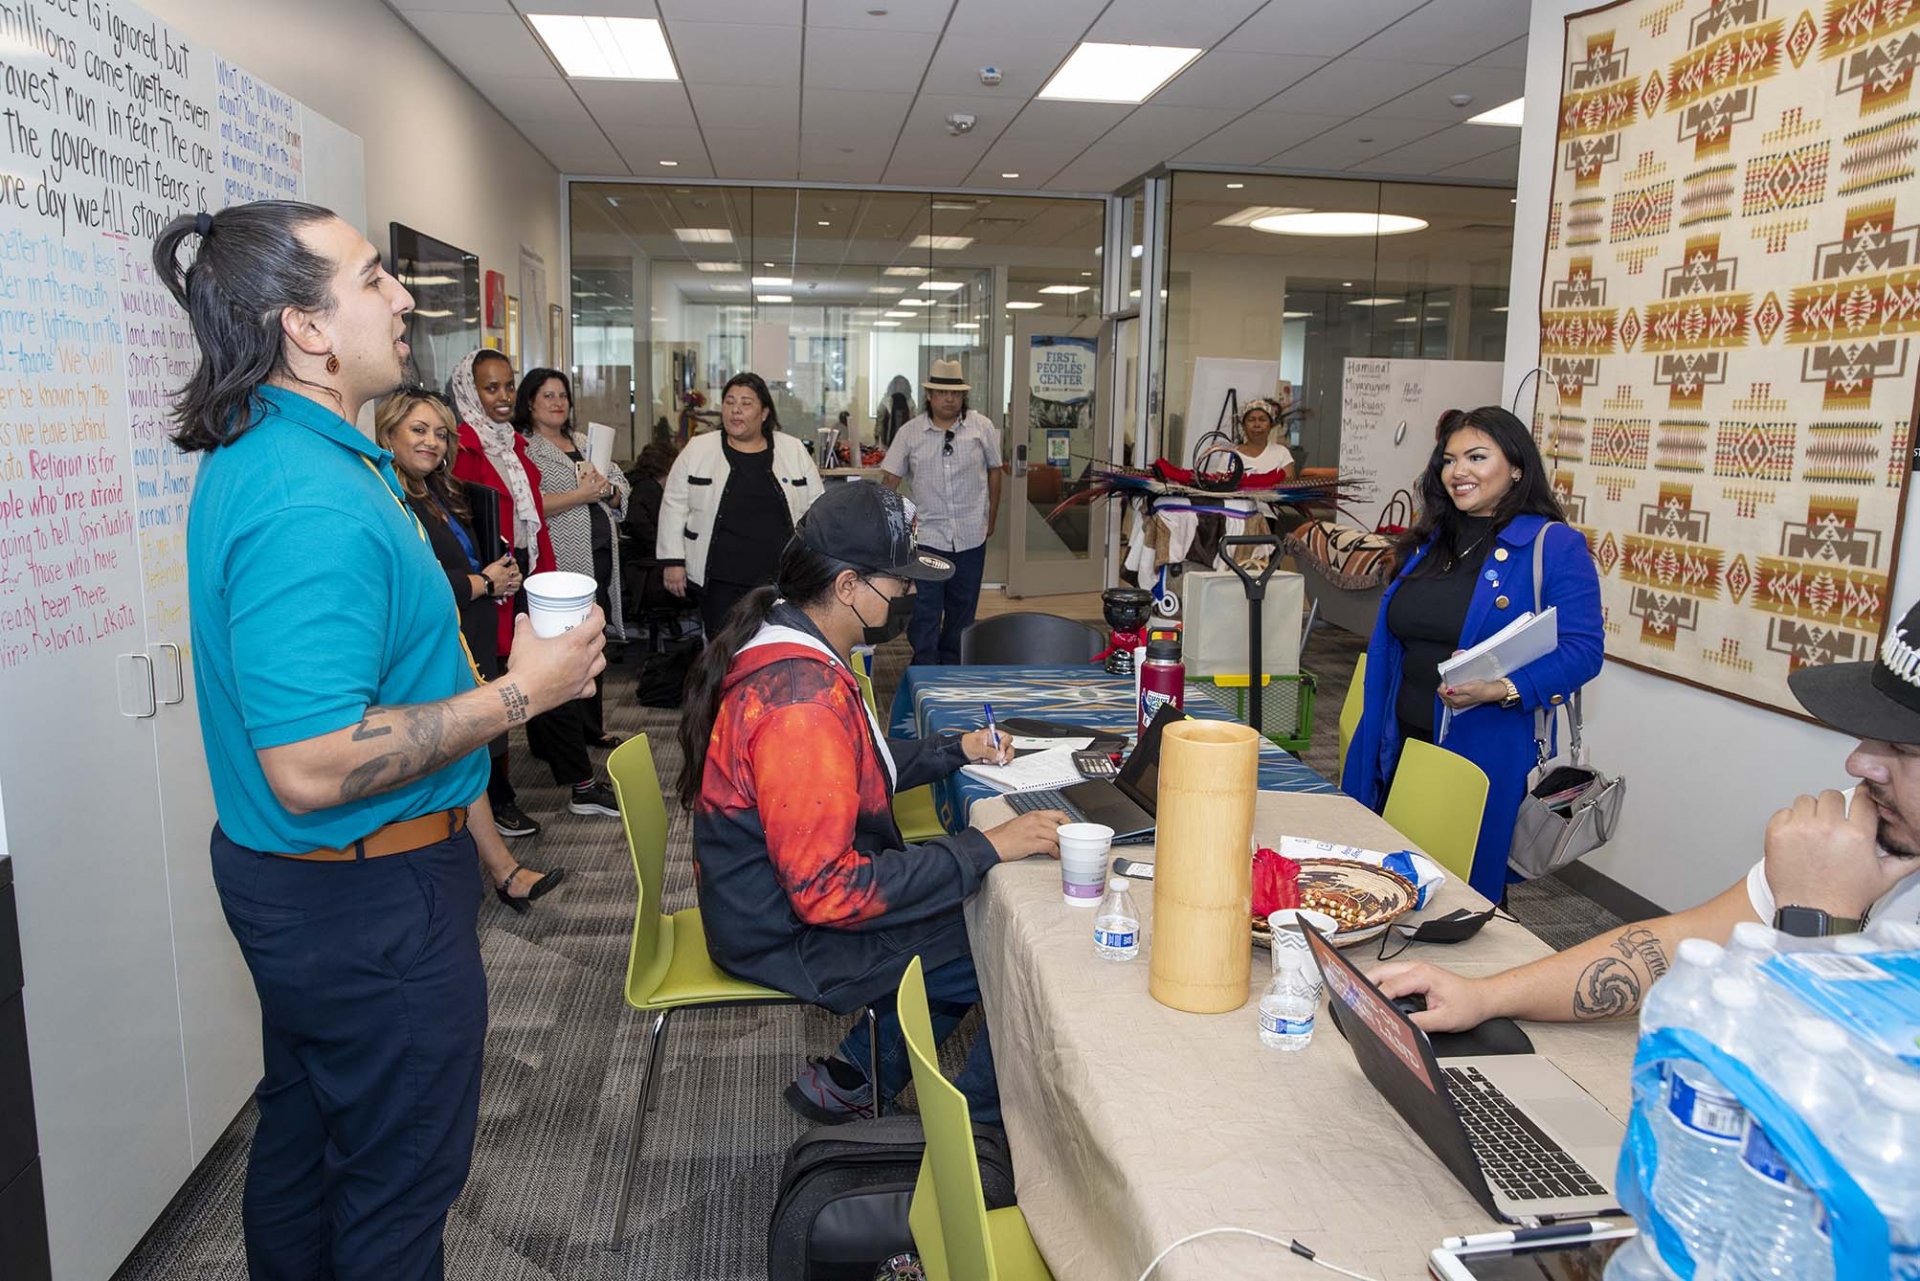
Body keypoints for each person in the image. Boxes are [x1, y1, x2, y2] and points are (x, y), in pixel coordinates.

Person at [158, 200, 605, 1280]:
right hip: (362, 902)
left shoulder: (293, 450)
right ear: (304, 328)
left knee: (309, 1143)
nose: (403, 297)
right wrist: (522, 694)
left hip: (315, 892)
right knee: (397, 1191)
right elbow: (313, 763)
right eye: (371, 280)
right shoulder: (306, 495)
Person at [676, 482, 1067, 1124]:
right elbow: (829, 892)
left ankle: (854, 1077)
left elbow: (850, 771)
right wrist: (986, 845)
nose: (911, 594)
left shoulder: (793, 641)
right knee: (1012, 939)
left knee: (978, 905)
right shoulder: (799, 703)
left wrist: (954, 749)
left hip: (766, 901)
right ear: (850, 586)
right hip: (784, 932)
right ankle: (975, 1137)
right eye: (900, 581)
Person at [1373, 596, 1920, 1031]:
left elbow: (1822, 1109)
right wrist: (1485, 995)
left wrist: (1817, 921)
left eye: (1903, 750)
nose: (1858, 763)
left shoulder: (1849, 854)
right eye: (1869, 736)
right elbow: (1678, 945)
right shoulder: (1870, 823)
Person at [1341, 405, 1604, 901]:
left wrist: (1502, 688)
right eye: (1449, 459)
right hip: (1398, 738)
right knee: (1383, 880)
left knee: (1461, 894)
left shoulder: (1553, 546)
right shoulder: (1430, 545)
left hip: (1479, 749)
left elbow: (1584, 651)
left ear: (1517, 467)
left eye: (1477, 457)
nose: (1458, 471)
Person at [374, 388, 567, 911]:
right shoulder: (386, 500)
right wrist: (483, 583)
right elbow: (417, 586)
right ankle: (496, 874)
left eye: (440, 433)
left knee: (464, 756)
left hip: (460, 638)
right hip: (425, 646)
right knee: (455, 756)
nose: (432, 441)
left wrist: (493, 579)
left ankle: (504, 872)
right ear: (387, 432)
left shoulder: (436, 491)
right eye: (418, 430)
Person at [448, 348, 550, 840]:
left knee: (515, 679)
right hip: (489, 582)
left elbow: (535, 520)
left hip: (524, 572)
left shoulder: (513, 443)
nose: (505, 397)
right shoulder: (460, 446)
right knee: (492, 688)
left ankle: (503, 791)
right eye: (492, 388)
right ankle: (496, 798)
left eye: (509, 386)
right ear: (471, 392)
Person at [658, 371, 825, 638]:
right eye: (729, 402)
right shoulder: (698, 449)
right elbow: (674, 504)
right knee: (723, 651)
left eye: (746, 403)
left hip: (779, 578)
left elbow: (817, 508)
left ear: (764, 413)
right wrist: (673, 561)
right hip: (720, 579)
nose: (736, 410)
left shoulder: (792, 450)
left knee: (775, 646)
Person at [880, 360, 1002, 666]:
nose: (949, 399)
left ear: (963, 397)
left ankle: (952, 670)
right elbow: (889, 482)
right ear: (929, 395)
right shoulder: (910, 433)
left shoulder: (981, 427)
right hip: (927, 538)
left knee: (963, 609)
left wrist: (992, 518)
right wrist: (892, 529)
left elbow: (996, 471)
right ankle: (923, 669)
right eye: (942, 392)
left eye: (955, 393)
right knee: (925, 609)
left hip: (971, 536)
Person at [1233, 396, 1294, 477]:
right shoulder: (1230, 456)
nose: (1257, 425)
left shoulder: (1282, 453)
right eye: (1251, 420)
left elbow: (1289, 487)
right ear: (1244, 426)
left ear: (1271, 425)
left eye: (1262, 420)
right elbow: (1221, 488)